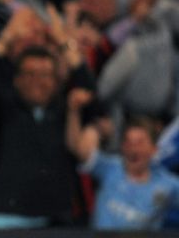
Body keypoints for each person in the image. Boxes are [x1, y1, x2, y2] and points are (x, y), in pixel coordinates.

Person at [67, 94, 179, 230]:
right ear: (122, 146)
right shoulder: (110, 167)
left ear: (153, 150)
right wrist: (87, 121)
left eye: (140, 142)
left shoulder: (168, 185)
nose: (133, 147)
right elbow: (80, 150)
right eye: (128, 141)